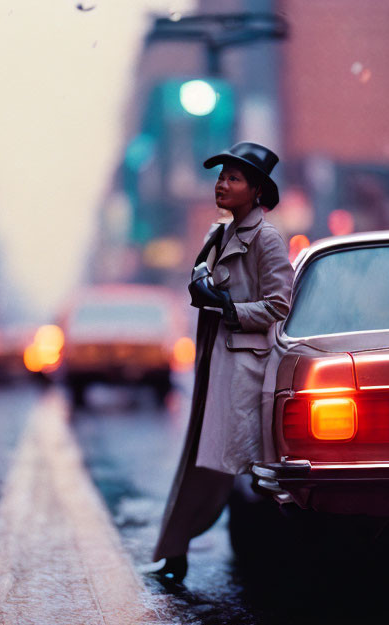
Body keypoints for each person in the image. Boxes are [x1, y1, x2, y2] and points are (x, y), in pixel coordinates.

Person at [152, 142, 294, 582]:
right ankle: (175, 551)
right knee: (205, 460)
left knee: (242, 467)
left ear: (256, 191)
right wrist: (204, 288)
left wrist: (229, 307)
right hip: (216, 365)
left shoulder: (267, 238)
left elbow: (279, 305)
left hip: (245, 374)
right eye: (220, 177)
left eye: (233, 178)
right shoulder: (220, 233)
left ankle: (272, 557)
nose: (221, 185)